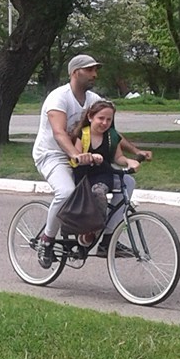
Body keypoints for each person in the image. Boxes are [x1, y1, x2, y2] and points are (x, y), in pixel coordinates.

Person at [32, 54, 149, 268]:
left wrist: (135, 151)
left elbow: (111, 133)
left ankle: (107, 239)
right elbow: (59, 133)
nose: (95, 74)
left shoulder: (93, 100)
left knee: (127, 184)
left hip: (86, 158)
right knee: (67, 192)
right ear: (76, 72)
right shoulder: (58, 98)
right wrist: (75, 155)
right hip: (53, 155)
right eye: (90, 70)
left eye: (96, 70)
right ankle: (46, 240)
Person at [69, 100, 141, 253]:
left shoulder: (111, 136)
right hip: (85, 176)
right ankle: (91, 230)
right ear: (90, 117)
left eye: (109, 119)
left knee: (127, 184)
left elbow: (118, 157)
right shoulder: (83, 134)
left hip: (104, 174)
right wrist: (87, 156)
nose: (104, 123)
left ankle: (108, 236)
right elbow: (75, 157)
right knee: (98, 192)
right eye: (100, 118)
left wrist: (129, 161)